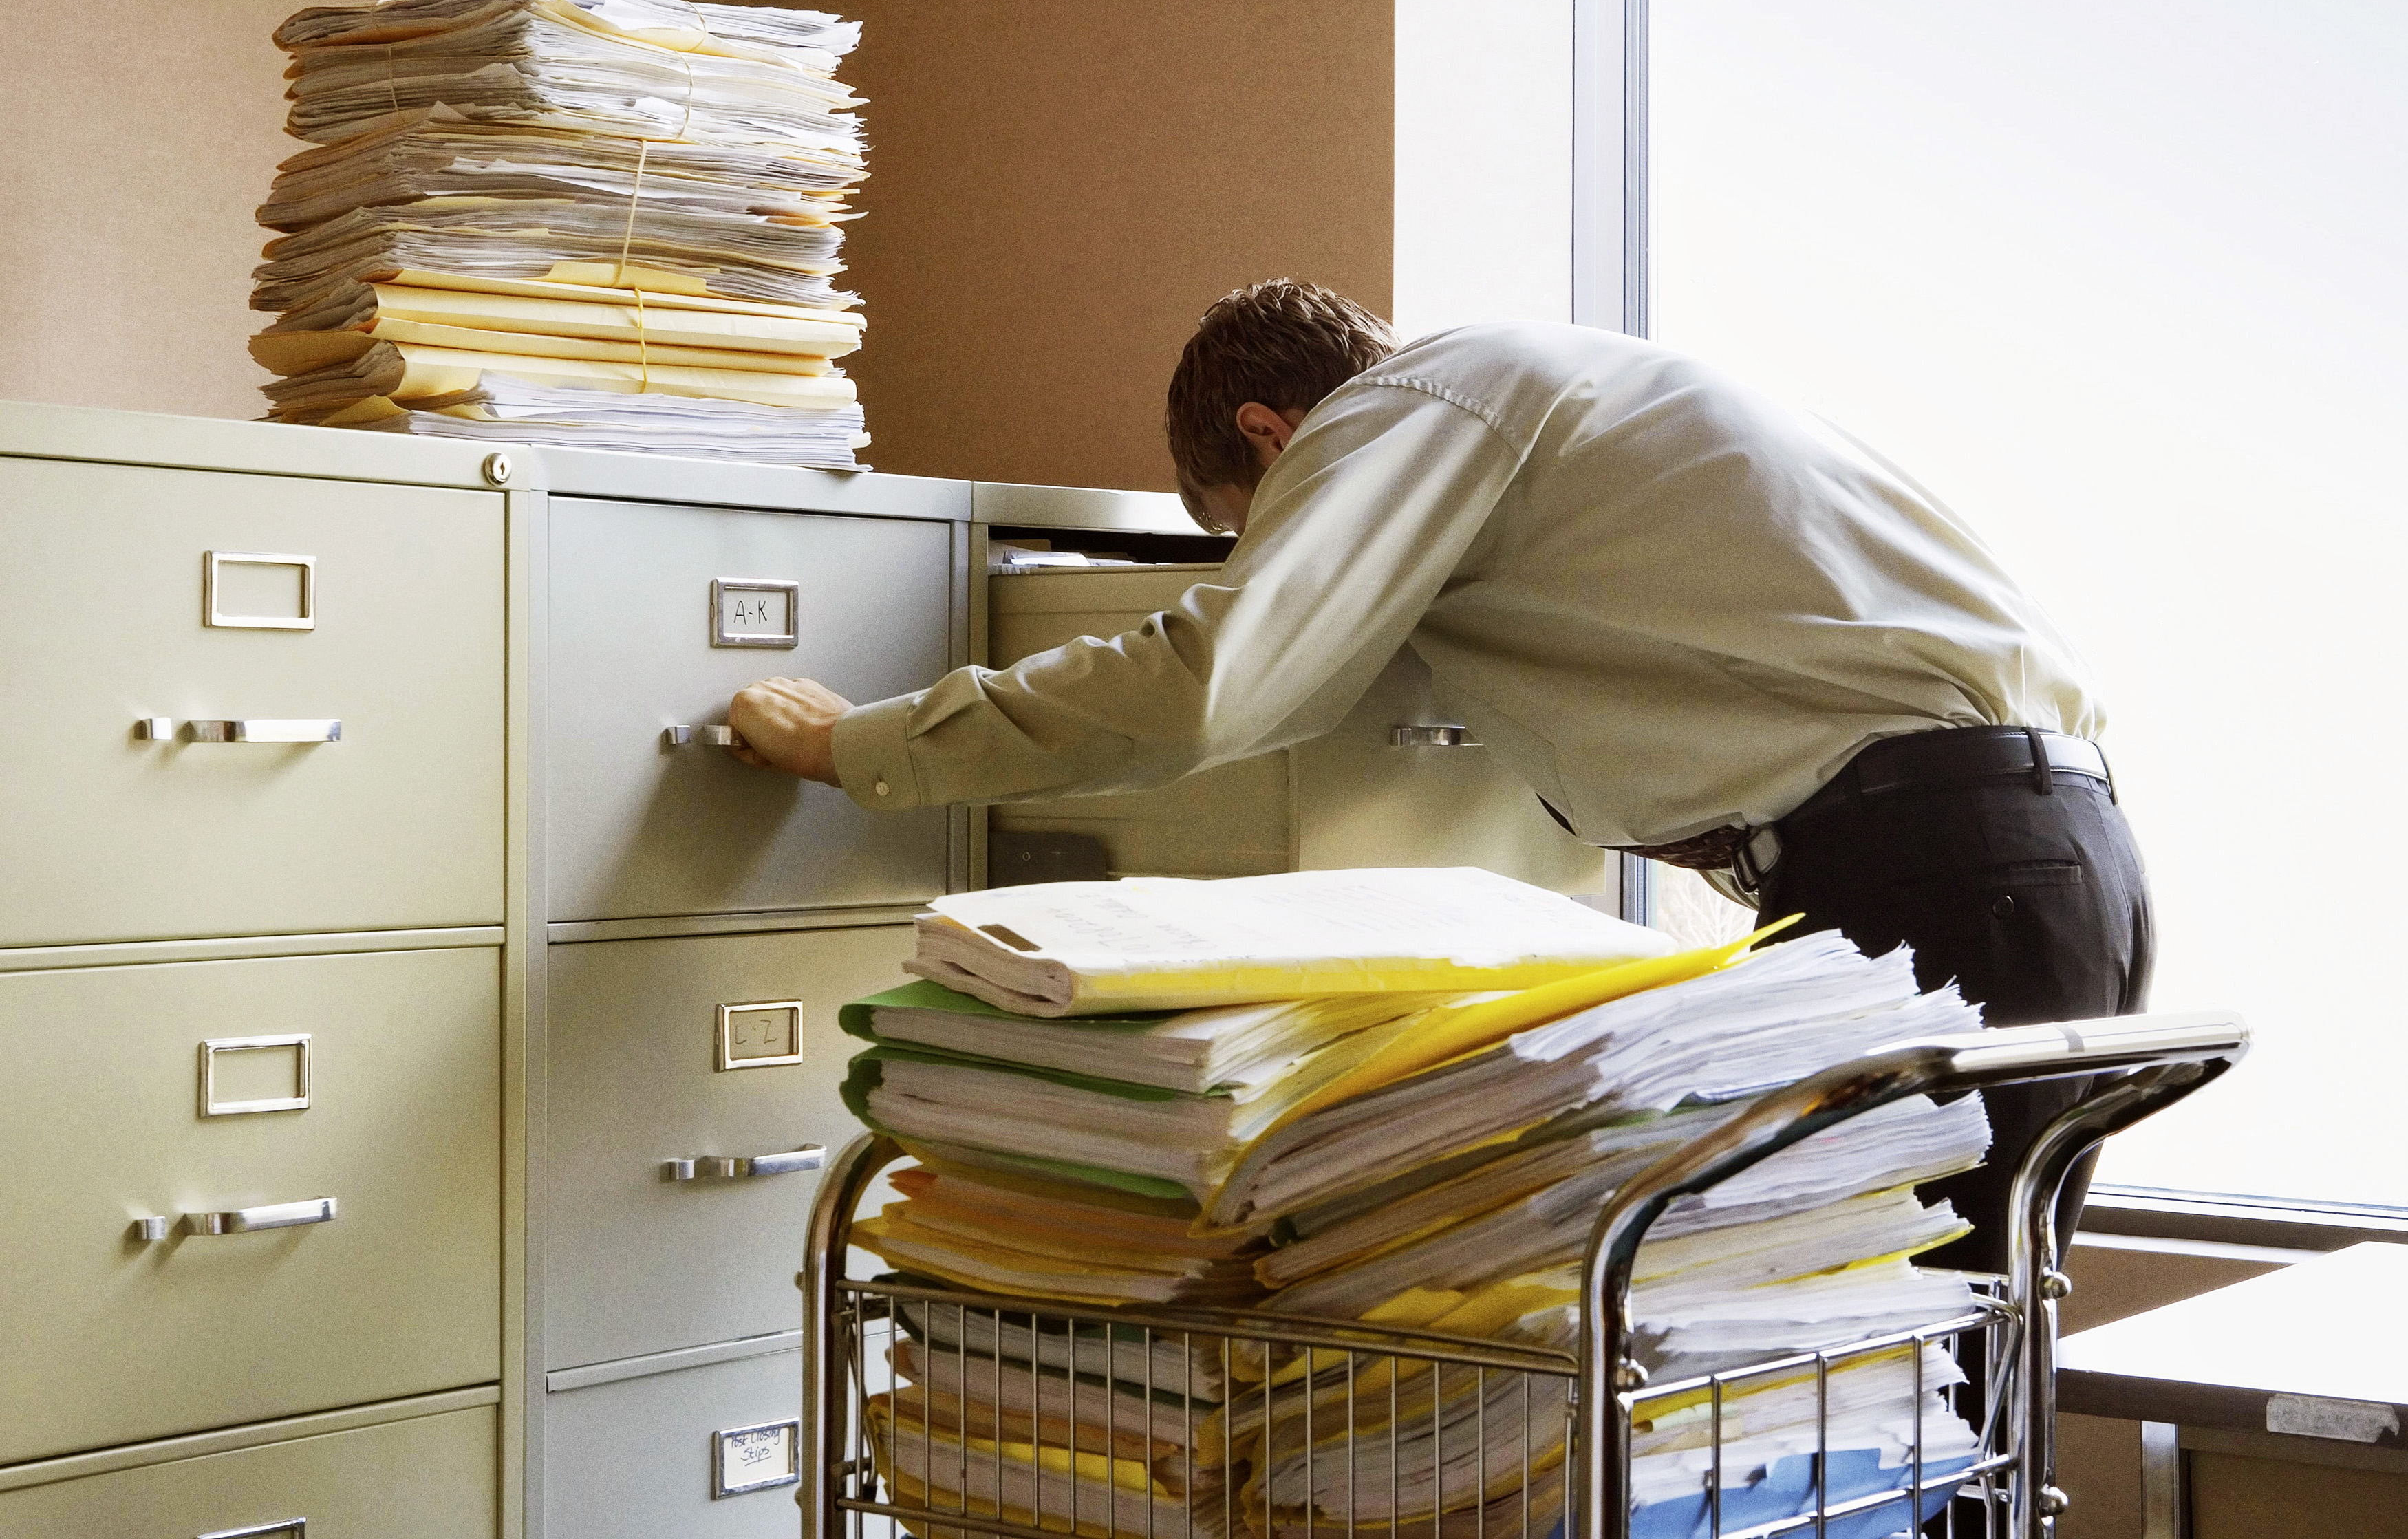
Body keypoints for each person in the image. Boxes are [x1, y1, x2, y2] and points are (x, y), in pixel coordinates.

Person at [729, 278, 2151, 1269]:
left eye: (1254, 529)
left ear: (1268, 439)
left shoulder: (1403, 408)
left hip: (1939, 869)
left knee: (1880, 1360)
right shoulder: (1565, 389)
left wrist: (859, 743)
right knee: (1943, 1356)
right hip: (2040, 854)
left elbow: (1220, 676)